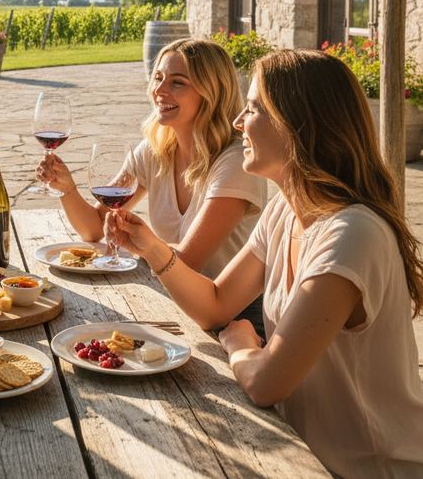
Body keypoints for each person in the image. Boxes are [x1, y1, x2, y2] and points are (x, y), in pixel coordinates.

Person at [109, 49, 423, 477]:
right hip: (300, 454)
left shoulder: (352, 236)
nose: (238, 122)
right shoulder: (286, 213)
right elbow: (216, 303)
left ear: (298, 125)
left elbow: (264, 382)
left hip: (368, 468)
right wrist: (152, 247)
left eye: (253, 109)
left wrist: (240, 343)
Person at [38, 39, 266, 328]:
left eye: (178, 82)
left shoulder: (235, 162)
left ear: (211, 93)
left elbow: (187, 261)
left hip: (235, 319)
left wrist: (138, 243)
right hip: (176, 301)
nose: (159, 90)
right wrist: (66, 188)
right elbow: (94, 227)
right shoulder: (156, 149)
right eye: (158, 78)